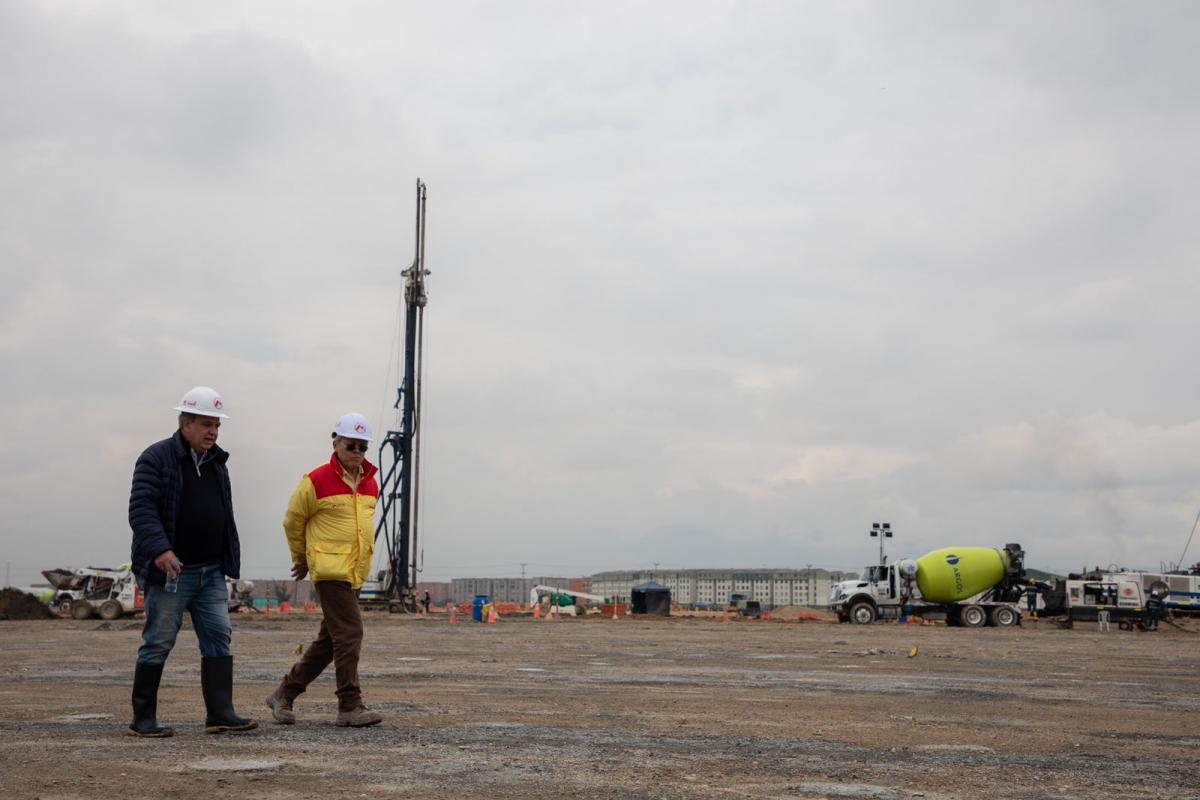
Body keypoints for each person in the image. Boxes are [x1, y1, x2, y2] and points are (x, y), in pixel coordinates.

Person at [126, 386, 257, 737]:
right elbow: (141, 510)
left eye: (217, 424)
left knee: (219, 637)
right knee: (158, 640)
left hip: (211, 571)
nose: (213, 431)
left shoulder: (217, 464)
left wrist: (228, 557)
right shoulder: (156, 458)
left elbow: (224, 514)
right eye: (206, 424)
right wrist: (161, 550)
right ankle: (143, 718)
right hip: (172, 571)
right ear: (186, 424)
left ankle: (220, 713)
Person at [266, 413, 383, 727]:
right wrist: (301, 557)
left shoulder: (371, 483)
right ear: (336, 443)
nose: (357, 451)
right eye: (351, 445)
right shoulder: (316, 480)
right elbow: (292, 520)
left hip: (355, 571)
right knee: (350, 633)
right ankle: (349, 704)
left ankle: (284, 693)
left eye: (362, 446)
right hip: (330, 569)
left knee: (331, 641)